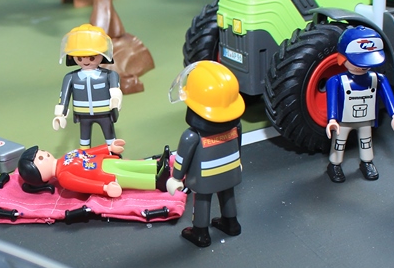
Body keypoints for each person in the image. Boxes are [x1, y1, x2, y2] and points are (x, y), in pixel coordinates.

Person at [166, 61, 245, 248]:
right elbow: (238, 147)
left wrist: (176, 178)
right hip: (231, 171)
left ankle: (200, 232)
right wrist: (238, 163)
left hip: (205, 177)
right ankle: (231, 223)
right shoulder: (236, 127)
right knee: (228, 194)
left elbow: (182, 160)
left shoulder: (191, 136)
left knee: (202, 199)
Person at [325, 25, 394, 183]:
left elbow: (388, 97)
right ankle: (334, 165)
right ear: (342, 58)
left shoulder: (378, 79)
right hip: (343, 121)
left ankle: (367, 163)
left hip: (365, 120)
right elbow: (332, 101)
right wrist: (332, 119)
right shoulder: (336, 81)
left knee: (366, 142)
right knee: (339, 143)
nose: (362, 66)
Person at [16, 139, 170, 197]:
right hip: (104, 175)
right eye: (40, 158)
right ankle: (157, 182)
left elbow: (87, 152)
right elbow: (84, 185)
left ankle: (156, 165)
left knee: (131, 165)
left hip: (104, 161)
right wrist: (104, 188)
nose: (44, 154)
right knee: (130, 178)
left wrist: (108, 148)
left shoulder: (65, 156)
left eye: (41, 152)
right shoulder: (63, 177)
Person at [53, 24, 122, 147]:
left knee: (110, 138)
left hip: (104, 113)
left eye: (91, 57)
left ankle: (114, 155)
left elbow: (115, 90)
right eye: (80, 58)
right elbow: (64, 97)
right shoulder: (71, 77)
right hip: (83, 115)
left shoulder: (109, 75)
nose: (85, 61)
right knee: (84, 140)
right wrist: (60, 115)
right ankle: (85, 156)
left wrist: (116, 100)